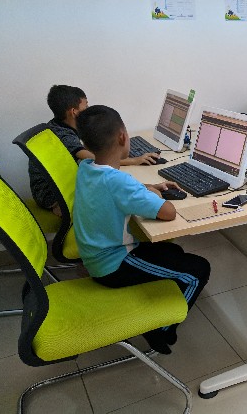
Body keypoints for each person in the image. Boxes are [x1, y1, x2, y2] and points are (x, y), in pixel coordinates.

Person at [73, 105, 211, 354]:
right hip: (112, 265)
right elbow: (168, 212)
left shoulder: (86, 167)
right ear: (122, 137)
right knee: (198, 270)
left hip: (96, 254)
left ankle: (158, 303)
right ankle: (161, 330)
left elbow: (116, 188)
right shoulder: (118, 182)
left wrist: (146, 188)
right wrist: (155, 195)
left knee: (173, 251)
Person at [28, 85, 162, 216]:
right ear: (74, 112)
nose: (87, 110)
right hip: (50, 195)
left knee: (112, 188)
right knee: (114, 198)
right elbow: (95, 157)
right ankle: (65, 210)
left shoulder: (57, 125)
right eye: (85, 106)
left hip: (56, 185)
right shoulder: (63, 135)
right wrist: (134, 160)